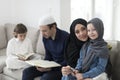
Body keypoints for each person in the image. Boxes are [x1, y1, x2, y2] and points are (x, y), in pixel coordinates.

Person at [22, 15, 69, 80]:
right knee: (26, 72)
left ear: (53, 27)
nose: (42, 34)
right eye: (41, 31)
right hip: (51, 66)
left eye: (44, 31)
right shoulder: (45, 37)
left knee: (46, 78)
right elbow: (48, 56)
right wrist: (42, 65)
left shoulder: (66, 37)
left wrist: (51, 68)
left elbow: (67, 61)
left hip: (62, 68)